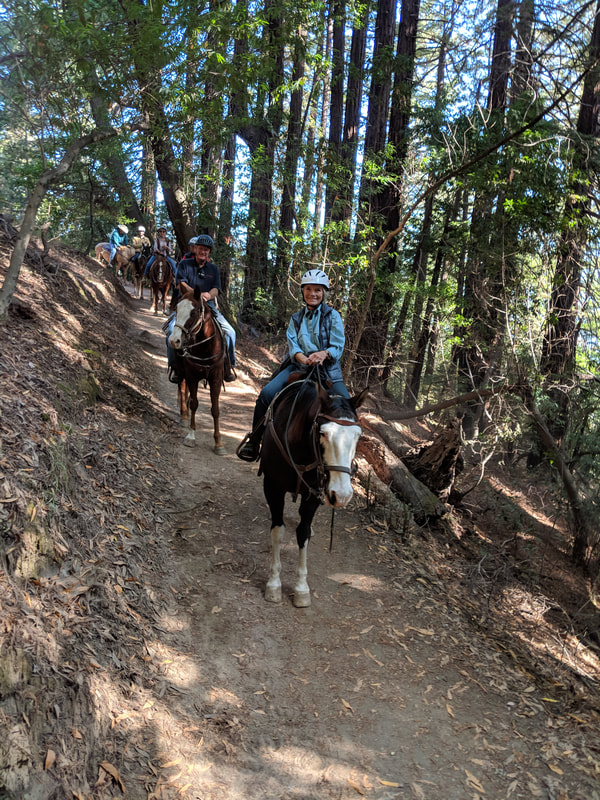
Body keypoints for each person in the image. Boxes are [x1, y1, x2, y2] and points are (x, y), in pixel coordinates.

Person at [237, 268, 350, 462]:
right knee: (266, 395)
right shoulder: (296, 318)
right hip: (298, 366)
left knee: (347, 407)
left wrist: (323, 354)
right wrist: (303, 359)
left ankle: (346, 459)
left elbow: (338, 345)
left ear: (324, 293)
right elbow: (293, 345)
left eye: (317, 290)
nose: (312, 294)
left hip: (328, 370)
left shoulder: (333, 316)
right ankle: (254, 441)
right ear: (302, 291)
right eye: (308, 289)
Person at [166, 234, 237, 383]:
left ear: (209, 252)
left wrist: (208, 295)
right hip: (187, 305)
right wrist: (196, 295)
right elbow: (180, 284)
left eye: (206, 250)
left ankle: (228, 366)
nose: (203, 252)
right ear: (195, 248)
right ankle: (176, 367)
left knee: (230, 332)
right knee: (171, 332)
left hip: (208, 305)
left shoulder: (213, 269)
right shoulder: (184, 265)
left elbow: (216, 289)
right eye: (200, 248)